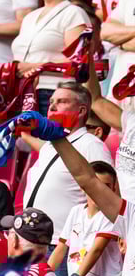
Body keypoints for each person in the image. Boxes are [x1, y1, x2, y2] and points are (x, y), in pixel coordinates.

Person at [22, 83, 111, 252]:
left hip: (61, 244)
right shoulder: (49, 144)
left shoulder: (92, 145)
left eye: (62, 101)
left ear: (82, 111)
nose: (53, 106)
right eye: (51, 101)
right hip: (31, 239)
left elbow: (104, 197)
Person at [11, 0, 90, 116]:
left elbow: (79, 63)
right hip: (21, 92)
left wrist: (35, 66)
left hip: (53, 92)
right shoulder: (29, 17)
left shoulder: (73, 13)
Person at [47, 161, 122, 276]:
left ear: (114, 189)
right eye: (95, 185)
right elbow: (60, 248)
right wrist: (43, 274)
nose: (100, 192)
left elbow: (96, 250)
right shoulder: (75, 212)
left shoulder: (112, 217)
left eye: (106, 186)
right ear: (83, 186)